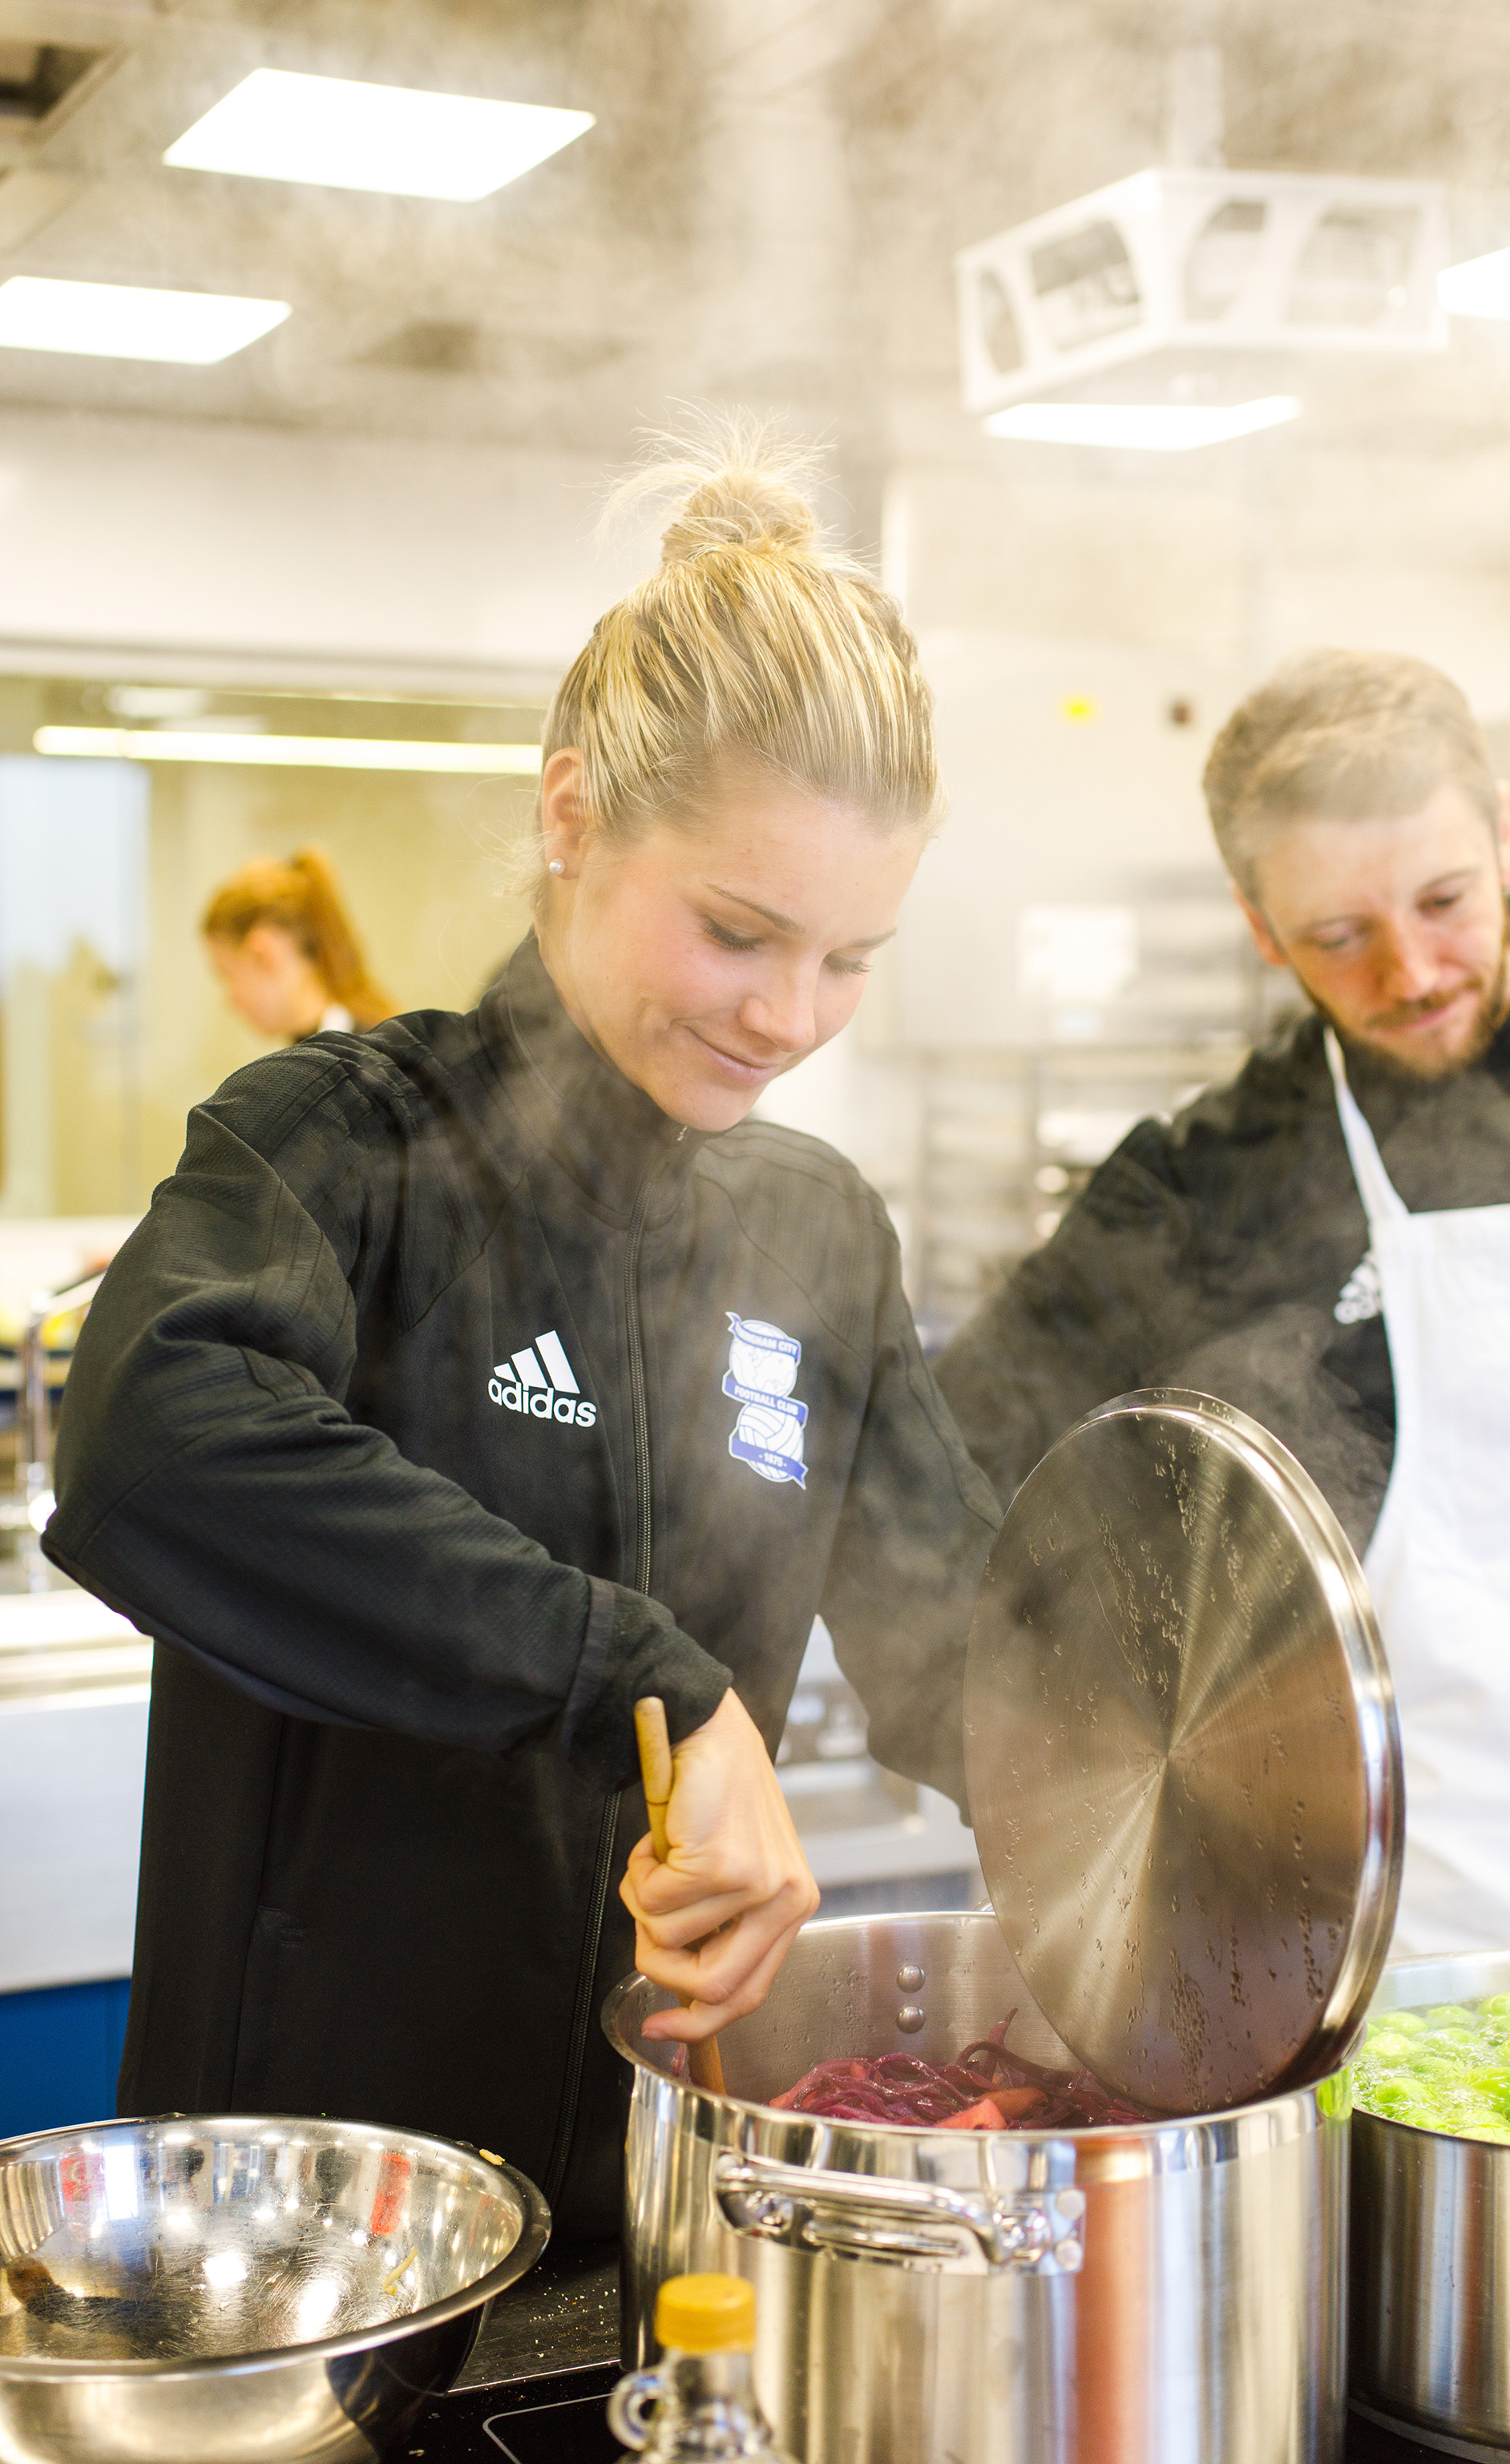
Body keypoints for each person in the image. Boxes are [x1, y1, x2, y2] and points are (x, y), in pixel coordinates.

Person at [46, 426, 999, 2238]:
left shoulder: (813, 1231)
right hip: (309, 2263)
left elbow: (952, 1652)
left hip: (659, 2227)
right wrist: (642, 1677)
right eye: (738, 930)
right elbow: (149, 1441)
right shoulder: (343, 1143)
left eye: (850, 955)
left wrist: (1167, 1798)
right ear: (569, 816)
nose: (791, 1013)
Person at [937, 647, 1510, 1960]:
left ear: (1503, 838)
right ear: (1260, 927)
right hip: (1415, 1956)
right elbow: (940, 1472)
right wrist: (1114, 1761)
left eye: (1445, 900)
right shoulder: (1209, 1188)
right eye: (1339, 936)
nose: (1414, 970)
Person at [202, 845, 394, 1039]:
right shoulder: (341, 1049)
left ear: (263, 954)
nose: (230, 1001)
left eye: (227, 975)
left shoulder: (358, 1059)